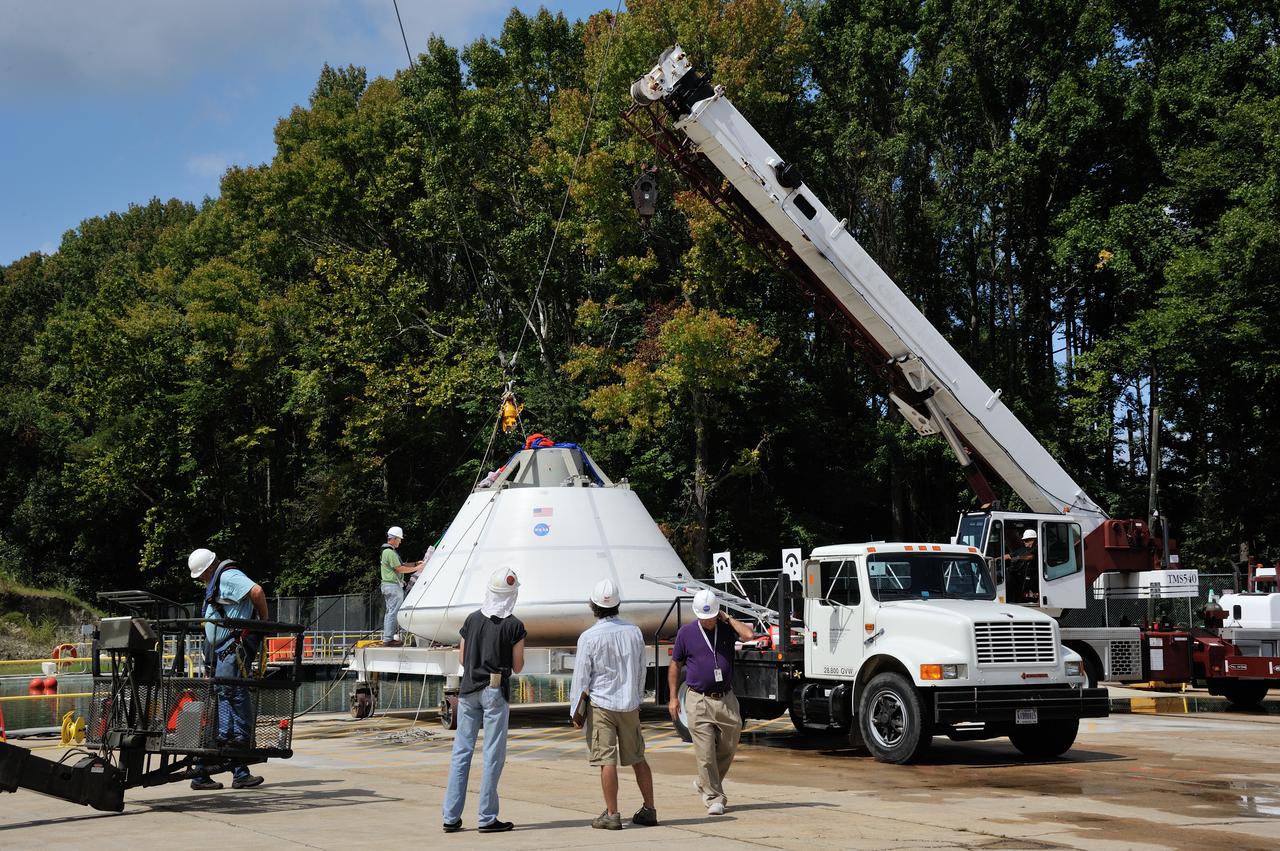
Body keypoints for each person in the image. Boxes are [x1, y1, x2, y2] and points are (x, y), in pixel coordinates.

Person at [442, 567, 527, 834]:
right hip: (494, 689)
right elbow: (518, 666)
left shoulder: (471, 620)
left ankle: (451, 816)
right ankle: (487, 817)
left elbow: (461, 658)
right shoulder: (514, 625)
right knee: (492, 754)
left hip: (468, 690)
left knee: (461, 753)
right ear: (512, 595)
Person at [569, 579, 658, 830]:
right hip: (630, 704)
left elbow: (581, 678)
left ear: (593, 606)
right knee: (638, 757)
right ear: (618, 604)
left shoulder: (588, 637)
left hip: (601, 704)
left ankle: (612, 813)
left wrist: (575, 711)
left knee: (606, 760)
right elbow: (642, 670)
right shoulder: (634, 632)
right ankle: (649, 808)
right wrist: (638, 699)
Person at [187, 547, 268, 791]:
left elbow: (257, 591)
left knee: (230, 695)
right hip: (220, 651)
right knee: (227, 697)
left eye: (201, 574)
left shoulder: (229, 576)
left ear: (210, 567)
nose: (201, 579)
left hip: (231, 649)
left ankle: (238, 753)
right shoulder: (216, 580)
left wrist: (264, 622)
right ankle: (232, 766)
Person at [667, 589, 753, 815]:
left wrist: (729, 619)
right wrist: (673, 698)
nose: (708, 621)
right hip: (698, 699)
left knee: (729, 744)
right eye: (704, 617)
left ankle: (705, 782)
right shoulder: (686, 633)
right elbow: (675, 665)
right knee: (705, 753)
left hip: (725, 698)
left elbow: (748, 636)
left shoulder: (725, 629)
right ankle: (715, 797)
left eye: (712, 616)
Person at [380, 526, 421, 646]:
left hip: (388, 586)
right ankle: (388, 639)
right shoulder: (389, 552)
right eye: (399, 539)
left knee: (390, 612)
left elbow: (402, 564)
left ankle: (388, 638)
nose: (400, 541)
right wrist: (417, 568)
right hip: (393, 586)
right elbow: (400, 568)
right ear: (393, 539)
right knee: (393, 612)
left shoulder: (387, 551)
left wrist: (414, 563)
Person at [1004, 528, 1039, 602]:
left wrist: (1018, 558)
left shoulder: (1037, 549)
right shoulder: (1022, 550)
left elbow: (1030, 557)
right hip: (1019, 577)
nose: (1024, 542)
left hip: (1031, 579)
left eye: (1026, 540)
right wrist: (995, 559)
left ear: (1033, 540)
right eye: (1023, 540)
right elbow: (1008, 556)